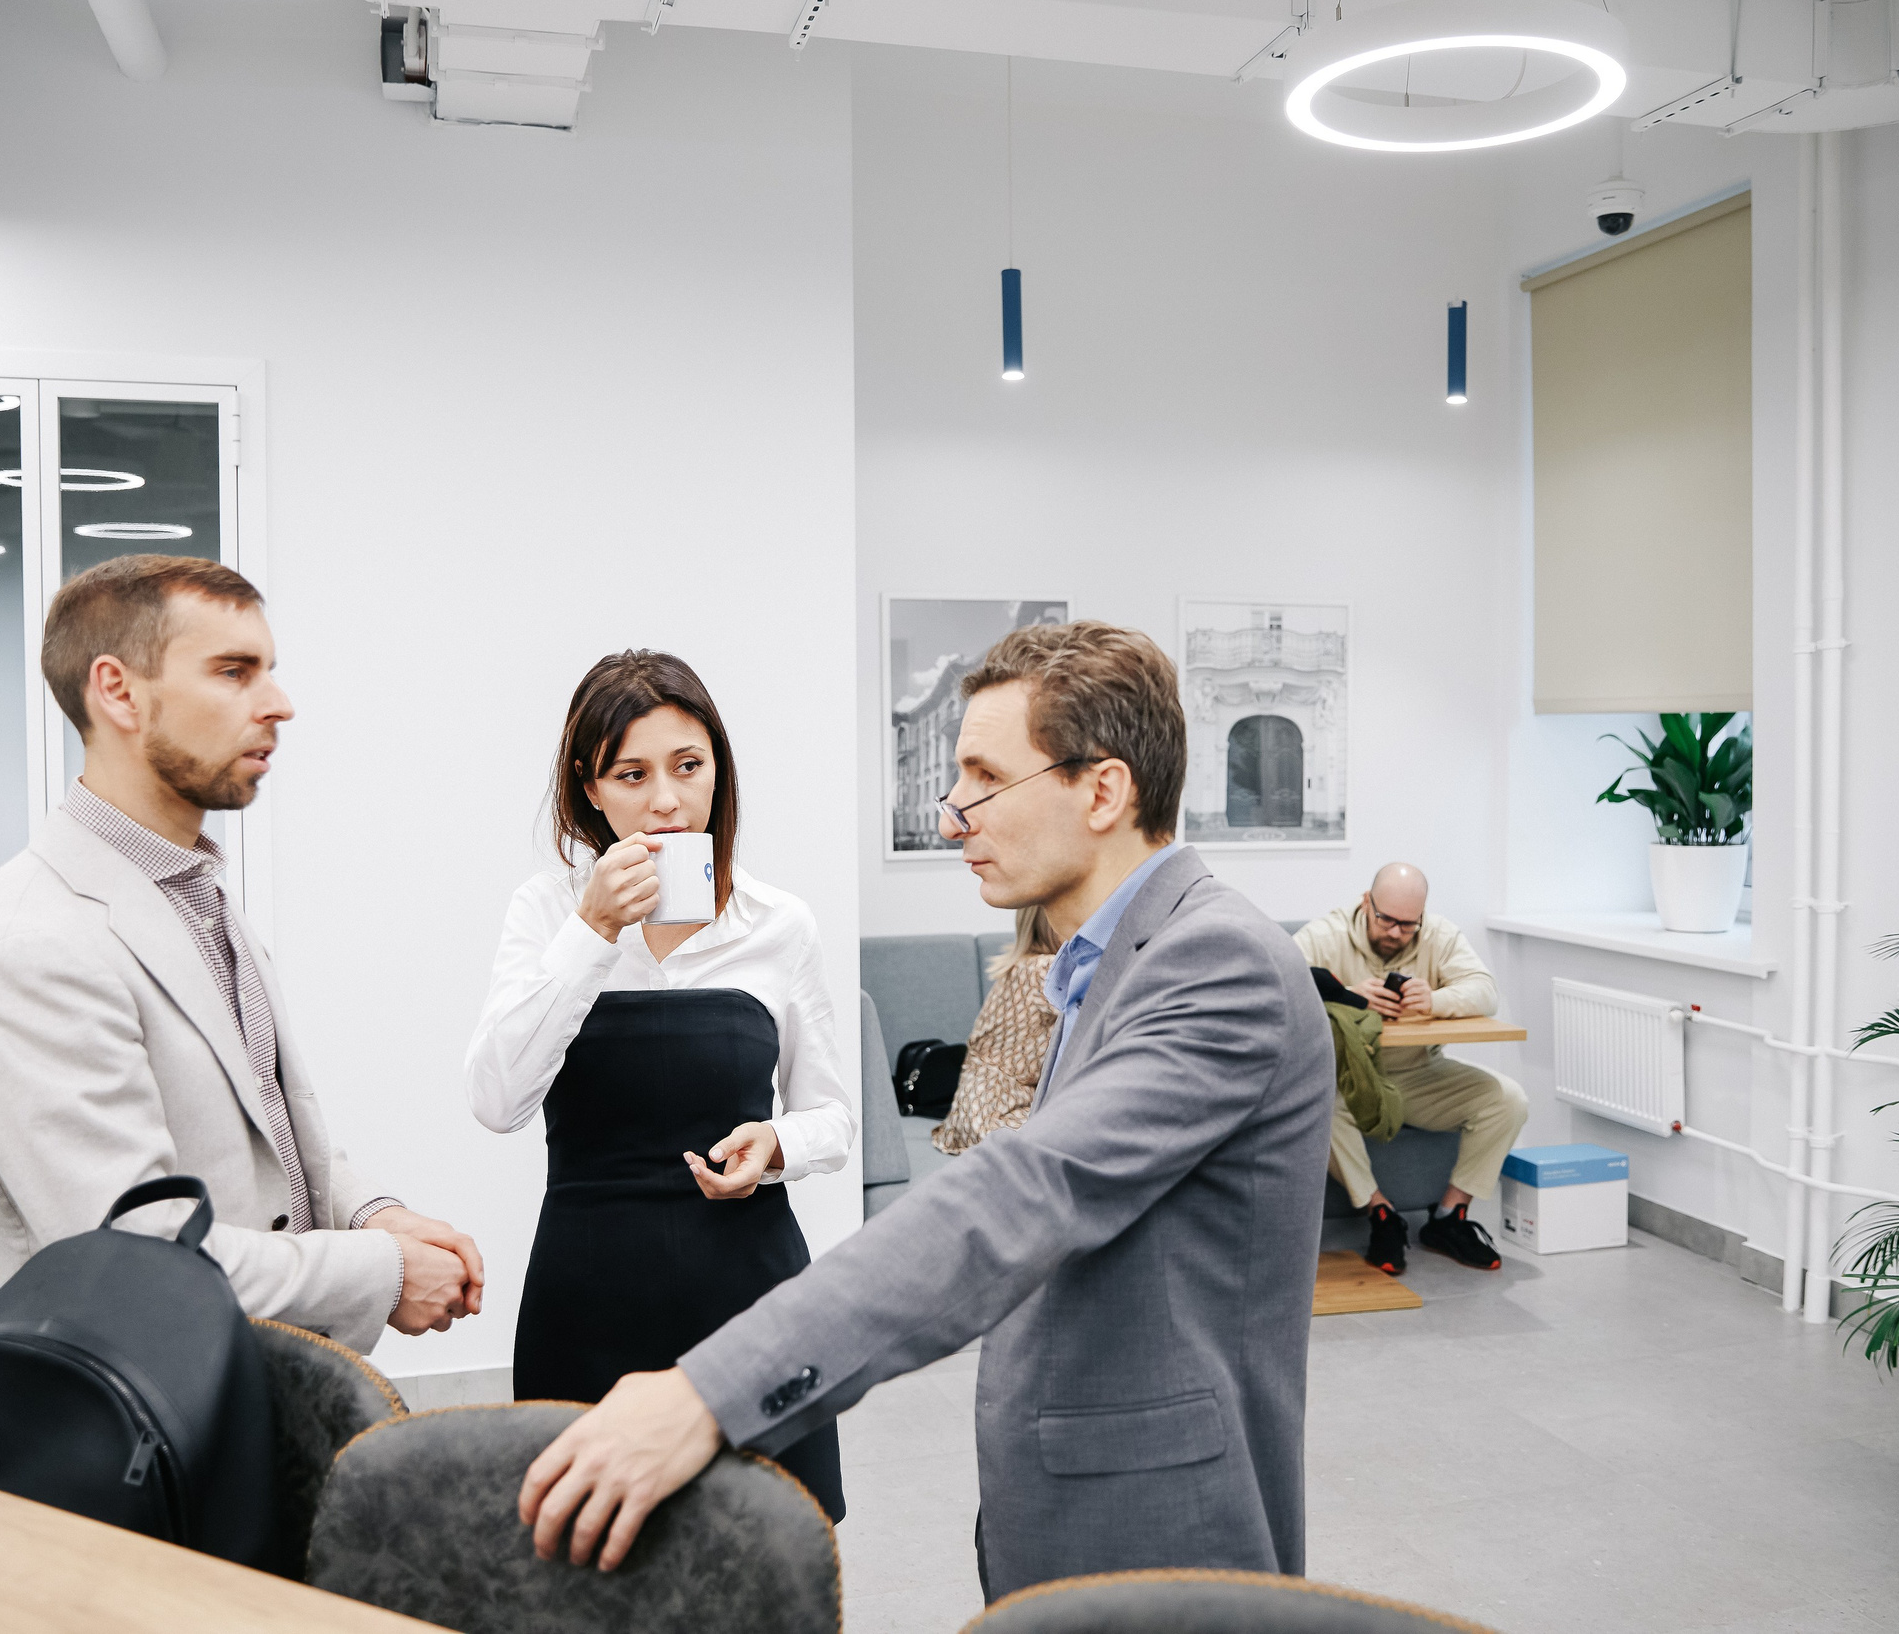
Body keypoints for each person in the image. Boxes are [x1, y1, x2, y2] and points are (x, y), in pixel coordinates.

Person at [512, 622, 1333, 1601]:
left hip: (1162, 1522)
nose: (951, 814)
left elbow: (1015, 1199)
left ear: (1102, 791)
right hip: (1067, 1492)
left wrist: (702, 1394)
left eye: (983, 779)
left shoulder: (1218, 961)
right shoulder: (1097, 962)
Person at [0, 555, 482, 1352]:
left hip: (256, 1393)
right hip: (149, 1432)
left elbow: (268, 1135)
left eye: (269, 671)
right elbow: (140, 1262)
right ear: (117, 690)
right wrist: (382, 1269)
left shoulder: (193, 889)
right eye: (235, 671)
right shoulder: (35, 942)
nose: (280, 704)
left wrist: (373, 1213)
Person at [465, 651, 855, 1519]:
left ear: (719, 769)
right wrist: (593, 928)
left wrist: (778, 1144)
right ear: (590, 788)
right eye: (631, 775)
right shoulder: (545, 913)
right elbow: (496, 1100)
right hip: (587, 1290)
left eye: (688, 766)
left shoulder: (778, 924)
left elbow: (833, 1115)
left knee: (770, 1557)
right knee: (585, 1564)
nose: (667, 801)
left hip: (749, 1293)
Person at [1294, 862, 1528, 1277]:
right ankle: (1381, 1214)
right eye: (1386, 920)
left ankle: (1450, 1218)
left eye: (1408, 924)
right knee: (1318, 1107)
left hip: (1421, 1075)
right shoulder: (1325, 935)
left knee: (1507, 1099)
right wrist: (1346, 995)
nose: (1396, 933)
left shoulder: (1438, 935)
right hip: (1348, 1079)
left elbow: (1485, 992)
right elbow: (1280, 981)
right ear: (1367, 903)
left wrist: (1434, 1000)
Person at [928, 906, 1058, 1155]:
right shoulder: (1043, 969)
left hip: (976, 1103)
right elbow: (1097, 1014)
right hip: (1000, 1108)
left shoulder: (1023, 964)